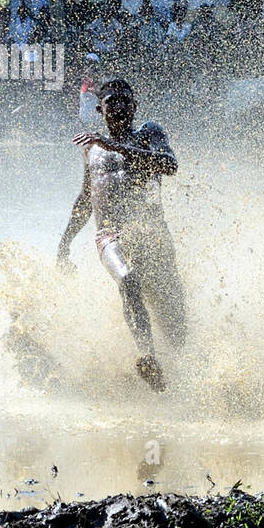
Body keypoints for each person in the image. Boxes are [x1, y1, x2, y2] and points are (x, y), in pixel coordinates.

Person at [56, 77, 186, 391]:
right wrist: (65, 243)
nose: (120, 106)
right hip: (110, 234)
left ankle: (180, 384)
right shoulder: (90, 149)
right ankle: (148, 357)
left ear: (135, 106)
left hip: (152, 233)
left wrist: (117, 147)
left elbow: (169, 165)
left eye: (125, 100)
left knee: (178, 331)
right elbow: (86, 198)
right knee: (128, 279)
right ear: (100, 109)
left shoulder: (149, 133)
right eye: (112, 101)